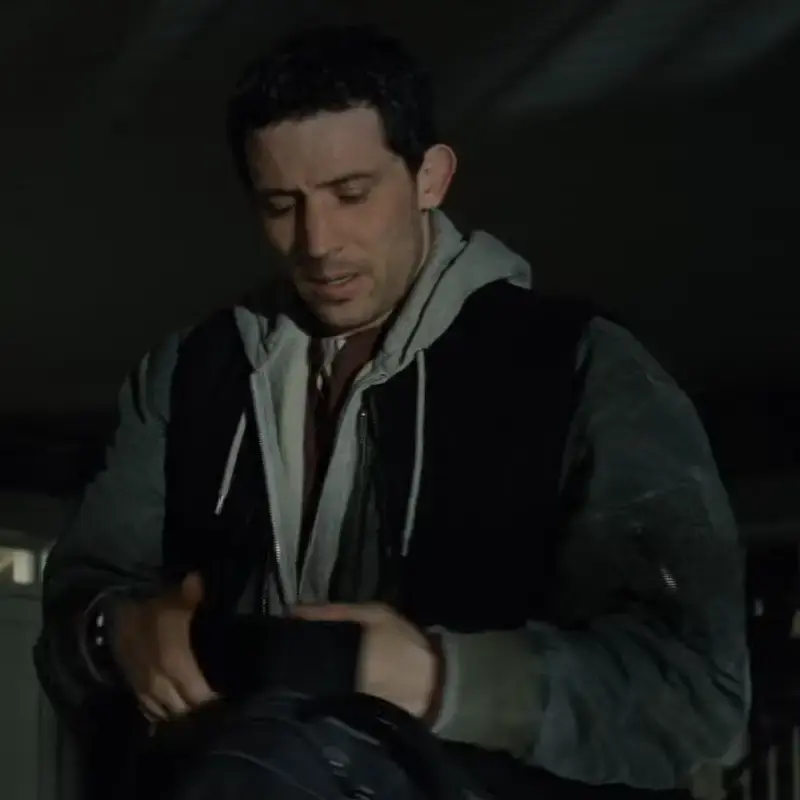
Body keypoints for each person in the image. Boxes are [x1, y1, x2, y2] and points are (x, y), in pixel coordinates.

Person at [35, 23, 748, 800]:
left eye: (352, 194)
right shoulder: (188, 375)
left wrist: (446, 682)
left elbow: (695, 692)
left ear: (430, 177)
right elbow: (76, 606)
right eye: (281, 204)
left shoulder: (581, 366)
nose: (318, 242)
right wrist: (119, 630)